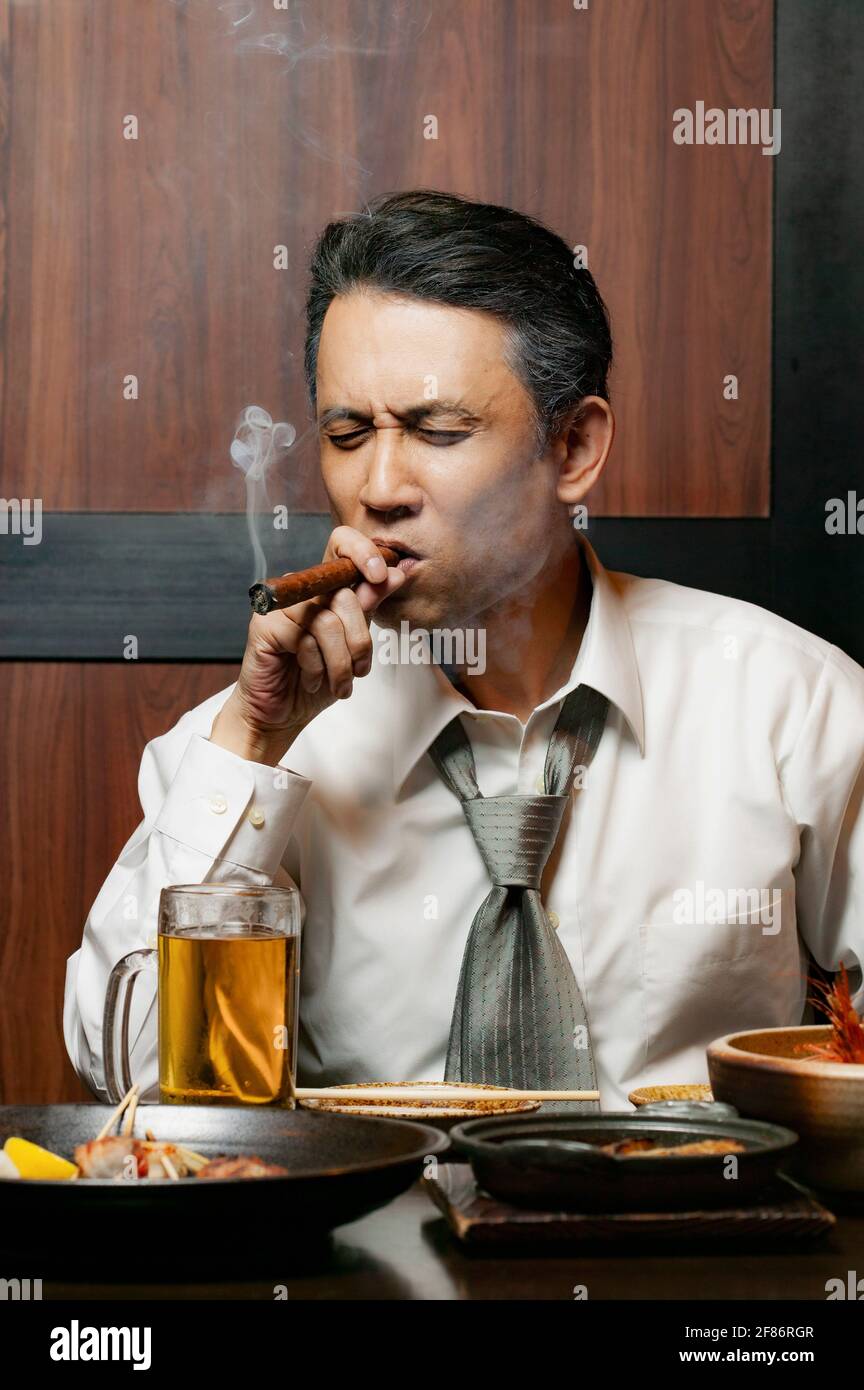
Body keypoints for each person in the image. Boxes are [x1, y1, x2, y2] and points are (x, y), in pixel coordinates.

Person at [64, 189, 864, 1109]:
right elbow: (120, 1072)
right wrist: (252, 744)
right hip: (366, 1247)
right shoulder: (252, 749)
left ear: (574, 448)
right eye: (347, 434)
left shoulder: (784, 702)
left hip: (684, 1241)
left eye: (439, 431)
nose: (380, 486)